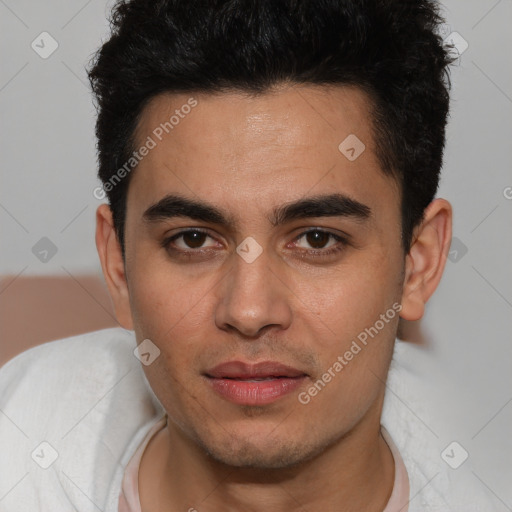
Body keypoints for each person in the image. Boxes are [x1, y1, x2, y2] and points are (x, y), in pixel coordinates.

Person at [0, 0, 500, 510]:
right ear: (119, 267)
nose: (249, 311)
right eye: (192, 239)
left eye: (317, 239)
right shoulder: (19, 442)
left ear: (418, 262)